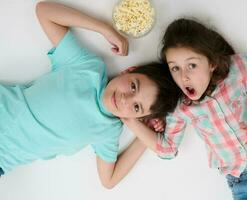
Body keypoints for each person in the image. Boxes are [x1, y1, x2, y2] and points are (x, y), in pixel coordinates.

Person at [0, 2, 180, 189]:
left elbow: (108, 180)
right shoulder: (87, 68)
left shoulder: (108, 130)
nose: (125, 99)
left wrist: (144, 135)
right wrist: (104, 29)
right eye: (133, 87)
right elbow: (44, 11)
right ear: (129, 70)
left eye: (136, 107)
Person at [122, 18, 247, 199]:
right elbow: (167, 149)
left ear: (212, 62)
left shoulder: (237, 70)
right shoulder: (180, 108)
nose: (184, 77)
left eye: (192, 65)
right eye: (175, 68)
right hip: (241, 184)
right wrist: (127, 118)